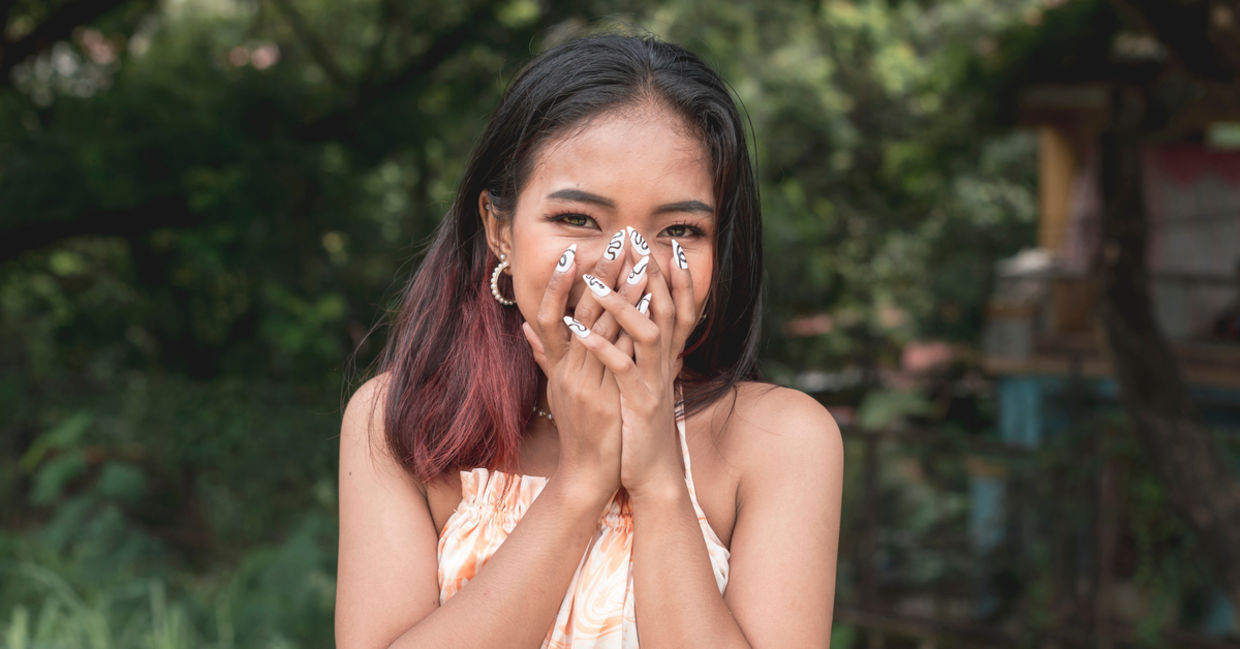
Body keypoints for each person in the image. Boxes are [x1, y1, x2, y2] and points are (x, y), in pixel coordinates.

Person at [336, 33, 843, 649]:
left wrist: (658, 479)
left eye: (680, 228)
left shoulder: (779, 441)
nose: (624, 267)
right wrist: (581, 482)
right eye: (577, 219)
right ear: (499, 229)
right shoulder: (402, 421)